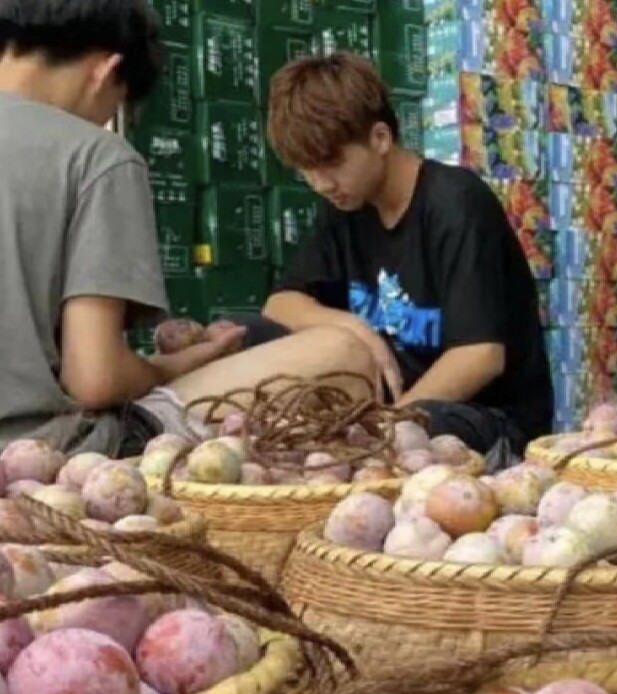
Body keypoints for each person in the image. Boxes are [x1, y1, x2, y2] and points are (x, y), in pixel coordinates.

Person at [0, 0, 378, 454]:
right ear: (105, 71)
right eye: (116, 104)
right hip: (44, 457)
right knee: (342, 355)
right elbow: (94, 379)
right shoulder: (96, 156)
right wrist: (178, 366)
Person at [260, 52, 553, 461]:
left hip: (486, 416)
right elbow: (280, 305)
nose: (321, 184)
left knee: (421, 426)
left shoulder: (456, 204)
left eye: (332, 163)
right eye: (307, 170)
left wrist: (386, 424)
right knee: (253, 334)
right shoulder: (345, 207)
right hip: (395, 401)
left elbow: (480, 356)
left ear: (380, 138)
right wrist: (351, 327)